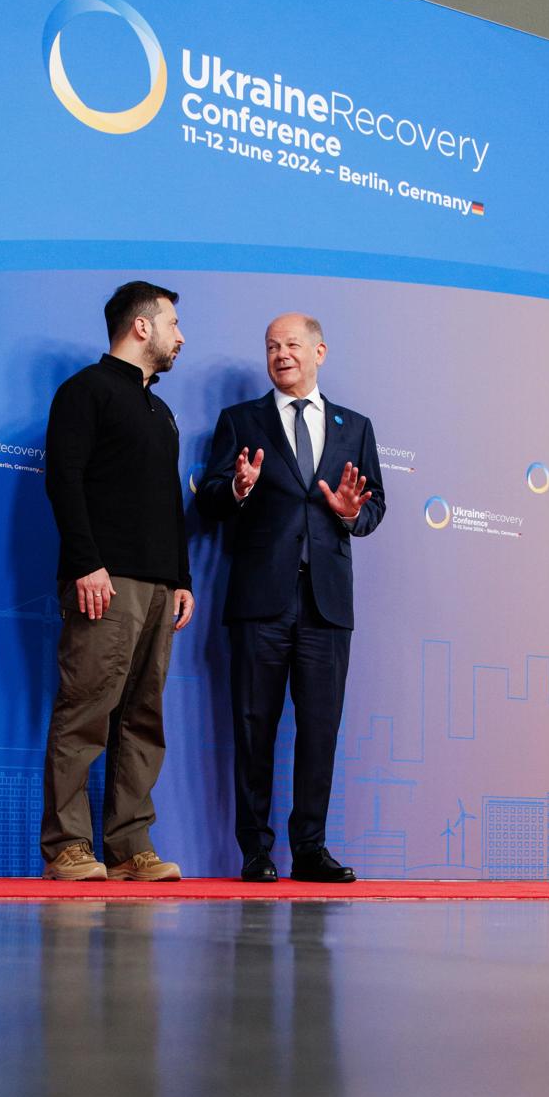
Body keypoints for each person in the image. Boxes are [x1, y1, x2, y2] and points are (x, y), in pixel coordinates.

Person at [197, 313, 385, 883]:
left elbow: (374, 509)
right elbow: (208, 497)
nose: (282, 354)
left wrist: (353, 513)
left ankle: (310, 850)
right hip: (260, 600)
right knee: (253, 728)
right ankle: (255, 853)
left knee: (321, 730)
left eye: (293, 344)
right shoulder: (240, 420)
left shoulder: (356, 426)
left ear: (320, 351)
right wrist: (236, 487)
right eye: (272, 346)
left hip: (326, 603)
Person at [41, 282, 195, 882]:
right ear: (141, 327)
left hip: (160, 589)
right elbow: (64, 481)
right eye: (174, 323)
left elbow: (165, 503)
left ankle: (131, 846)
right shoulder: (86, 391)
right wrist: (86, 562)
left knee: (143, 718)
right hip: (106, 581)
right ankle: (68, 847)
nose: (181, 336)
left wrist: (181, 578)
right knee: (86, 711)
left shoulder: (160, 410)